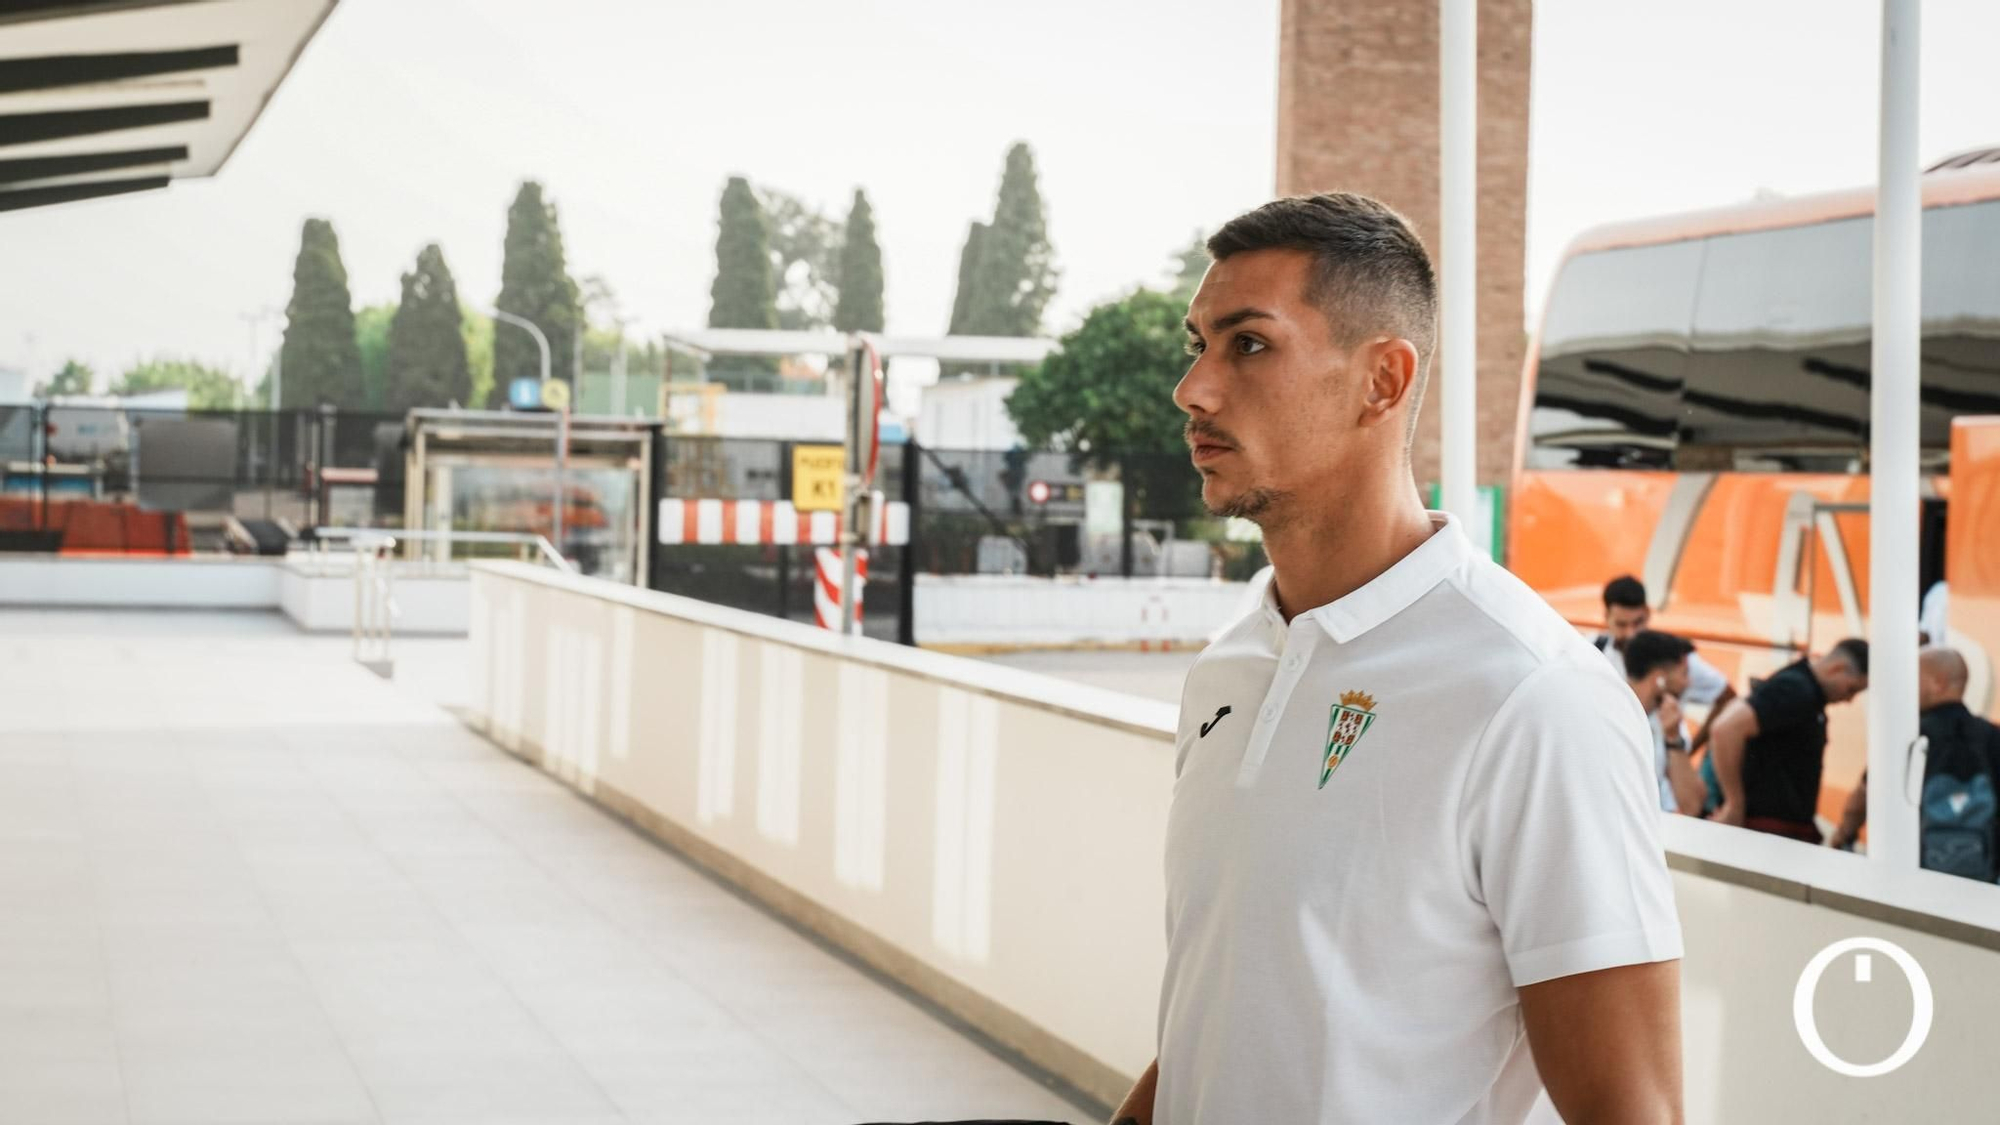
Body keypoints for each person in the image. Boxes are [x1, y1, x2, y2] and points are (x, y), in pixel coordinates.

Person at [1117, 194, 1682, 1125]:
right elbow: (1228, 1010)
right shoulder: (1229, 669)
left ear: (1382, 381)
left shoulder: (1534, 696)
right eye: (1197, 344)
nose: (1195, 388)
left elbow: (1633, 1111)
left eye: (1248, 344)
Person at [1827, 648, 2000, 880]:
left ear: (1938, 683)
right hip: (1981, 883)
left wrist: (1842, 836)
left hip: (1916, 878)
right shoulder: (1992, 737)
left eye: (1913, 679)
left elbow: (1863, 797)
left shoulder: (1908, 737)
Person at [1705, 639, 1869, 842]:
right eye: (1851, 689)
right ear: (1837, 668)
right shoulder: (1796, 689)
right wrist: (1734, 804)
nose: (1848, 699)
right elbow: (1726, 729)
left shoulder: (1805, 691)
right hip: (1763, 832)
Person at [1597, 574, 1737, 751]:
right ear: (1607, 616)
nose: (1631, 634)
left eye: (1638, 622)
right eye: (1621, 624)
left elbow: (1727, 697)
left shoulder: (1675, 659)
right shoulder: (1590, 653)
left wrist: (1689, 748)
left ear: (1647, 613)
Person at [1624, 629, 1705, 814]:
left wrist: (1673, 738)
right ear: (1659, 679)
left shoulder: (1670, 722)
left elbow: (1691, 805)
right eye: (1684, 673)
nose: (1688, 682)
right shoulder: (1611, 712)